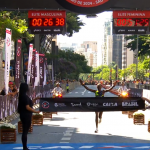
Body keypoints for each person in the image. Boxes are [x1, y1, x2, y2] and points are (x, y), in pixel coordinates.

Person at [17, 83, 40, 150]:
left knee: (25, 131)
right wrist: (35, 111)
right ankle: (25, 147)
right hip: (26, 115)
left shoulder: (22, 96)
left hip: (23, 114)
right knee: (25, 131)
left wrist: (35, 99)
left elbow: (30, 103)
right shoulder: (24, 96)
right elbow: (27, 107)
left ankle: (25, 147)